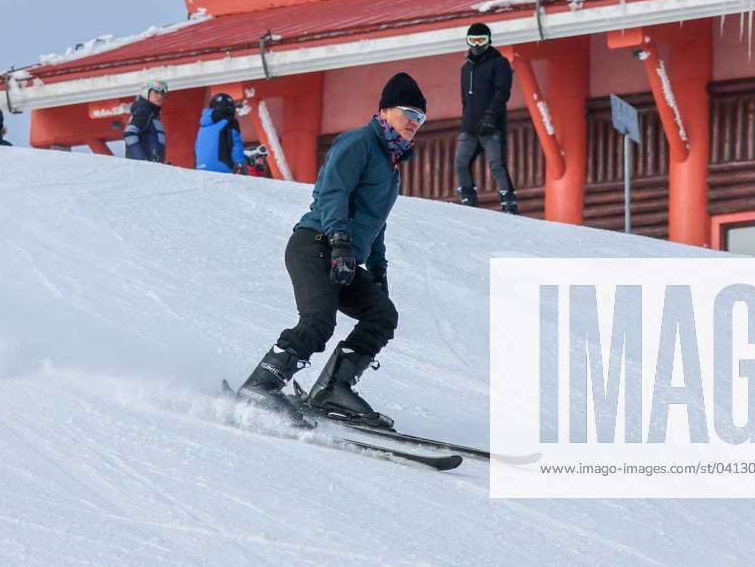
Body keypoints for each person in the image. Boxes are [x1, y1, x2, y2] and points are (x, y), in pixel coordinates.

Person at [235, 72, 427, 427]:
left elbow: (376, 224)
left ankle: (333, 388)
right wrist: (339, 241)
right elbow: (332, 193)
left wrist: (379, 274)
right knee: (318, 322)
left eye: (421, 117)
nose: (415, 122)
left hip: (346, 255)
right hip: (317, 244)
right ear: (385, 111)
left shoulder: (390, 164)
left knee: (382, 315)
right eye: (409, 113)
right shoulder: (358, 143)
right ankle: (260, 385)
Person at [455, 22, 518, 214]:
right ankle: (468, 199)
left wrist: (491, 115)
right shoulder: (466, 68)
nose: (476, 45)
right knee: (460, 161)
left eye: (481, 40)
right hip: (469, 126)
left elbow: (502, 92)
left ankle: (508, 202)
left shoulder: (499, 63)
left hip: (492, 124)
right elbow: (465, 99)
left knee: (496, 164)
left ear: (489, 41)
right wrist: (466, 120)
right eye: (472, 40)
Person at [195, 93, 249, 174]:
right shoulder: (230, 121)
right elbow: (234, 144)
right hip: (222, 168)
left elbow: (196, 148)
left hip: (201, 168)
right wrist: (241, 163)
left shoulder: (203, 126)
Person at [124, 80, 168, 162]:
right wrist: (142, 160)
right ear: (146, 93)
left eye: (162, 93)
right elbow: (129, 133)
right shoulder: (144, 111)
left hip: (150, 167)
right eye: (156, 92)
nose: (160, 96)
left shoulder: (152, 113)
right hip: (143, 168)